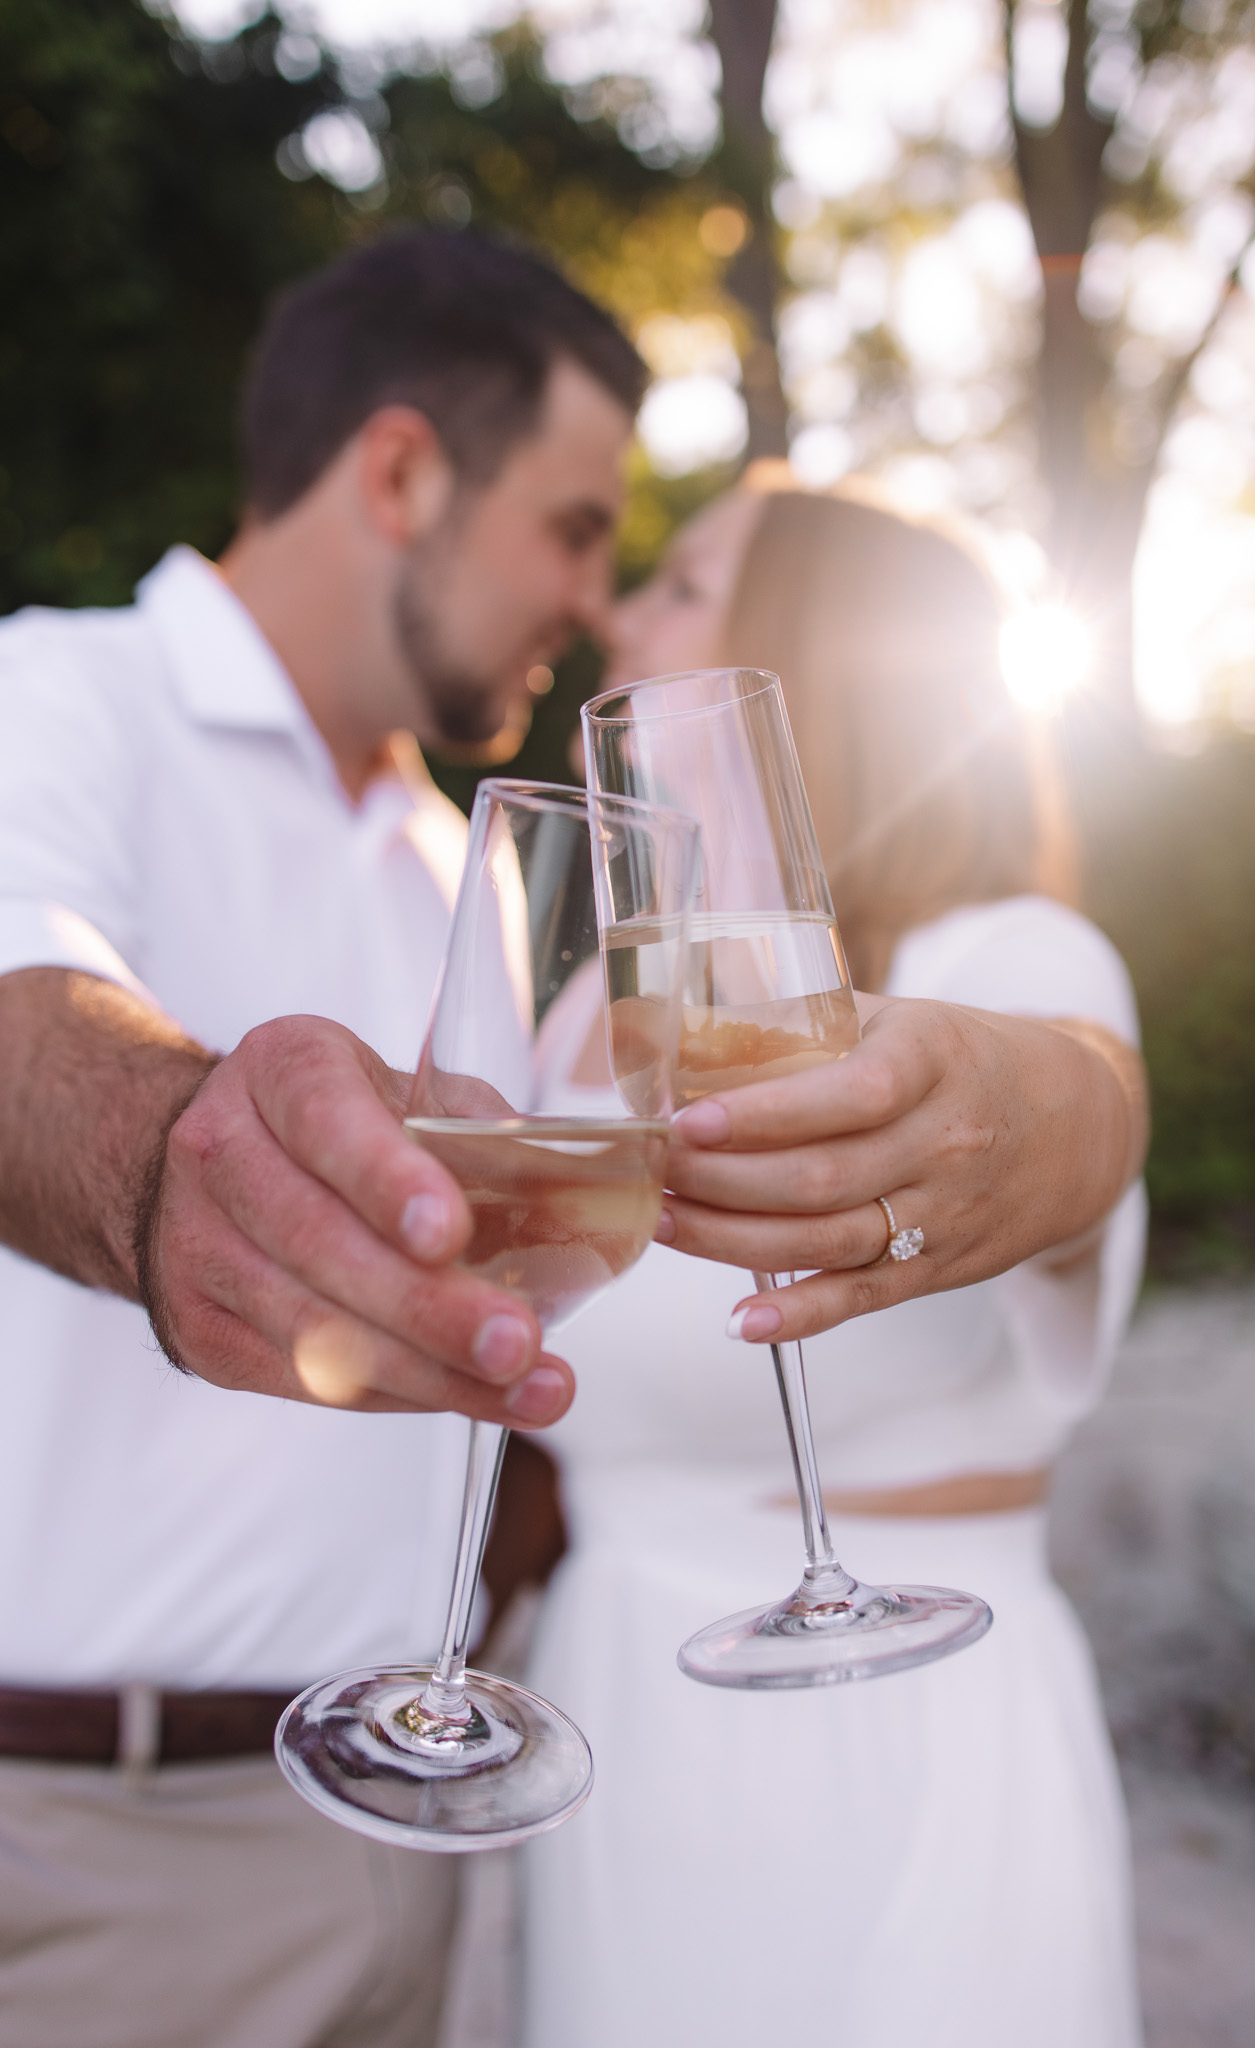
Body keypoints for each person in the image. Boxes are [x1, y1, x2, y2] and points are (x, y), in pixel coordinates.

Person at [0, 227, 646, 2048]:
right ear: (398, 471)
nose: (592, 598)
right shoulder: (57, 693)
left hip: (405, 1835)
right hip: (103, 1861)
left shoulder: (469, 861)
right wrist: (179, 1153)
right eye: (574, 528)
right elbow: (14, 1003)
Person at [518, 475, 1149, 2048]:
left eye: (680, 586)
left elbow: (1064, 1125)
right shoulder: (584, 1016)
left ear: (809, 650)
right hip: (617, 1727)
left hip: (891, 1739)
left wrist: (1056, 1112)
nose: (622, 612)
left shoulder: (999, 961)